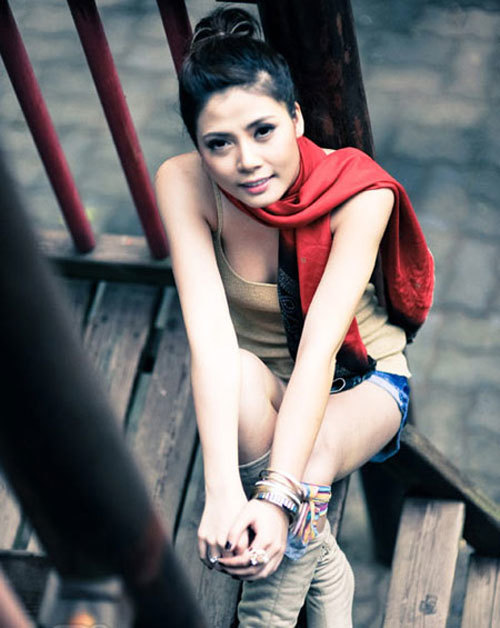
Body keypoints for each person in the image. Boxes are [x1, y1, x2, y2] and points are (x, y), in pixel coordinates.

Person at [155, 7, 434, 626]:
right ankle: (326, 565)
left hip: (359, 382)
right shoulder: (183, 183)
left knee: (304, 468)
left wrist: (276, 498)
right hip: (263, 382)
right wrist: (222, 492)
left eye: (263, 131)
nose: (247, 161)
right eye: (219, 143)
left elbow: (316, 356)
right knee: (234, 371)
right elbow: (210, 345)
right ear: (197, 147)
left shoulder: (360, 195)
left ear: (296, 119)